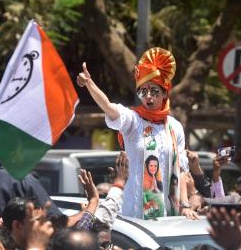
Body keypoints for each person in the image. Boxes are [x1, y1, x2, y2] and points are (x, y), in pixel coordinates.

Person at [77, 47, 195, 219]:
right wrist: (89, 83)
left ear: (164, 93)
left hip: (168, 216)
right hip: (134, 215)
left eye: (154, 91)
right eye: (143, 91)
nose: (148, 97)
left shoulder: (175, 127)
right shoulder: (133, 121)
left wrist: (184, 206)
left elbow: (182, 171)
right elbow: (109, 107)